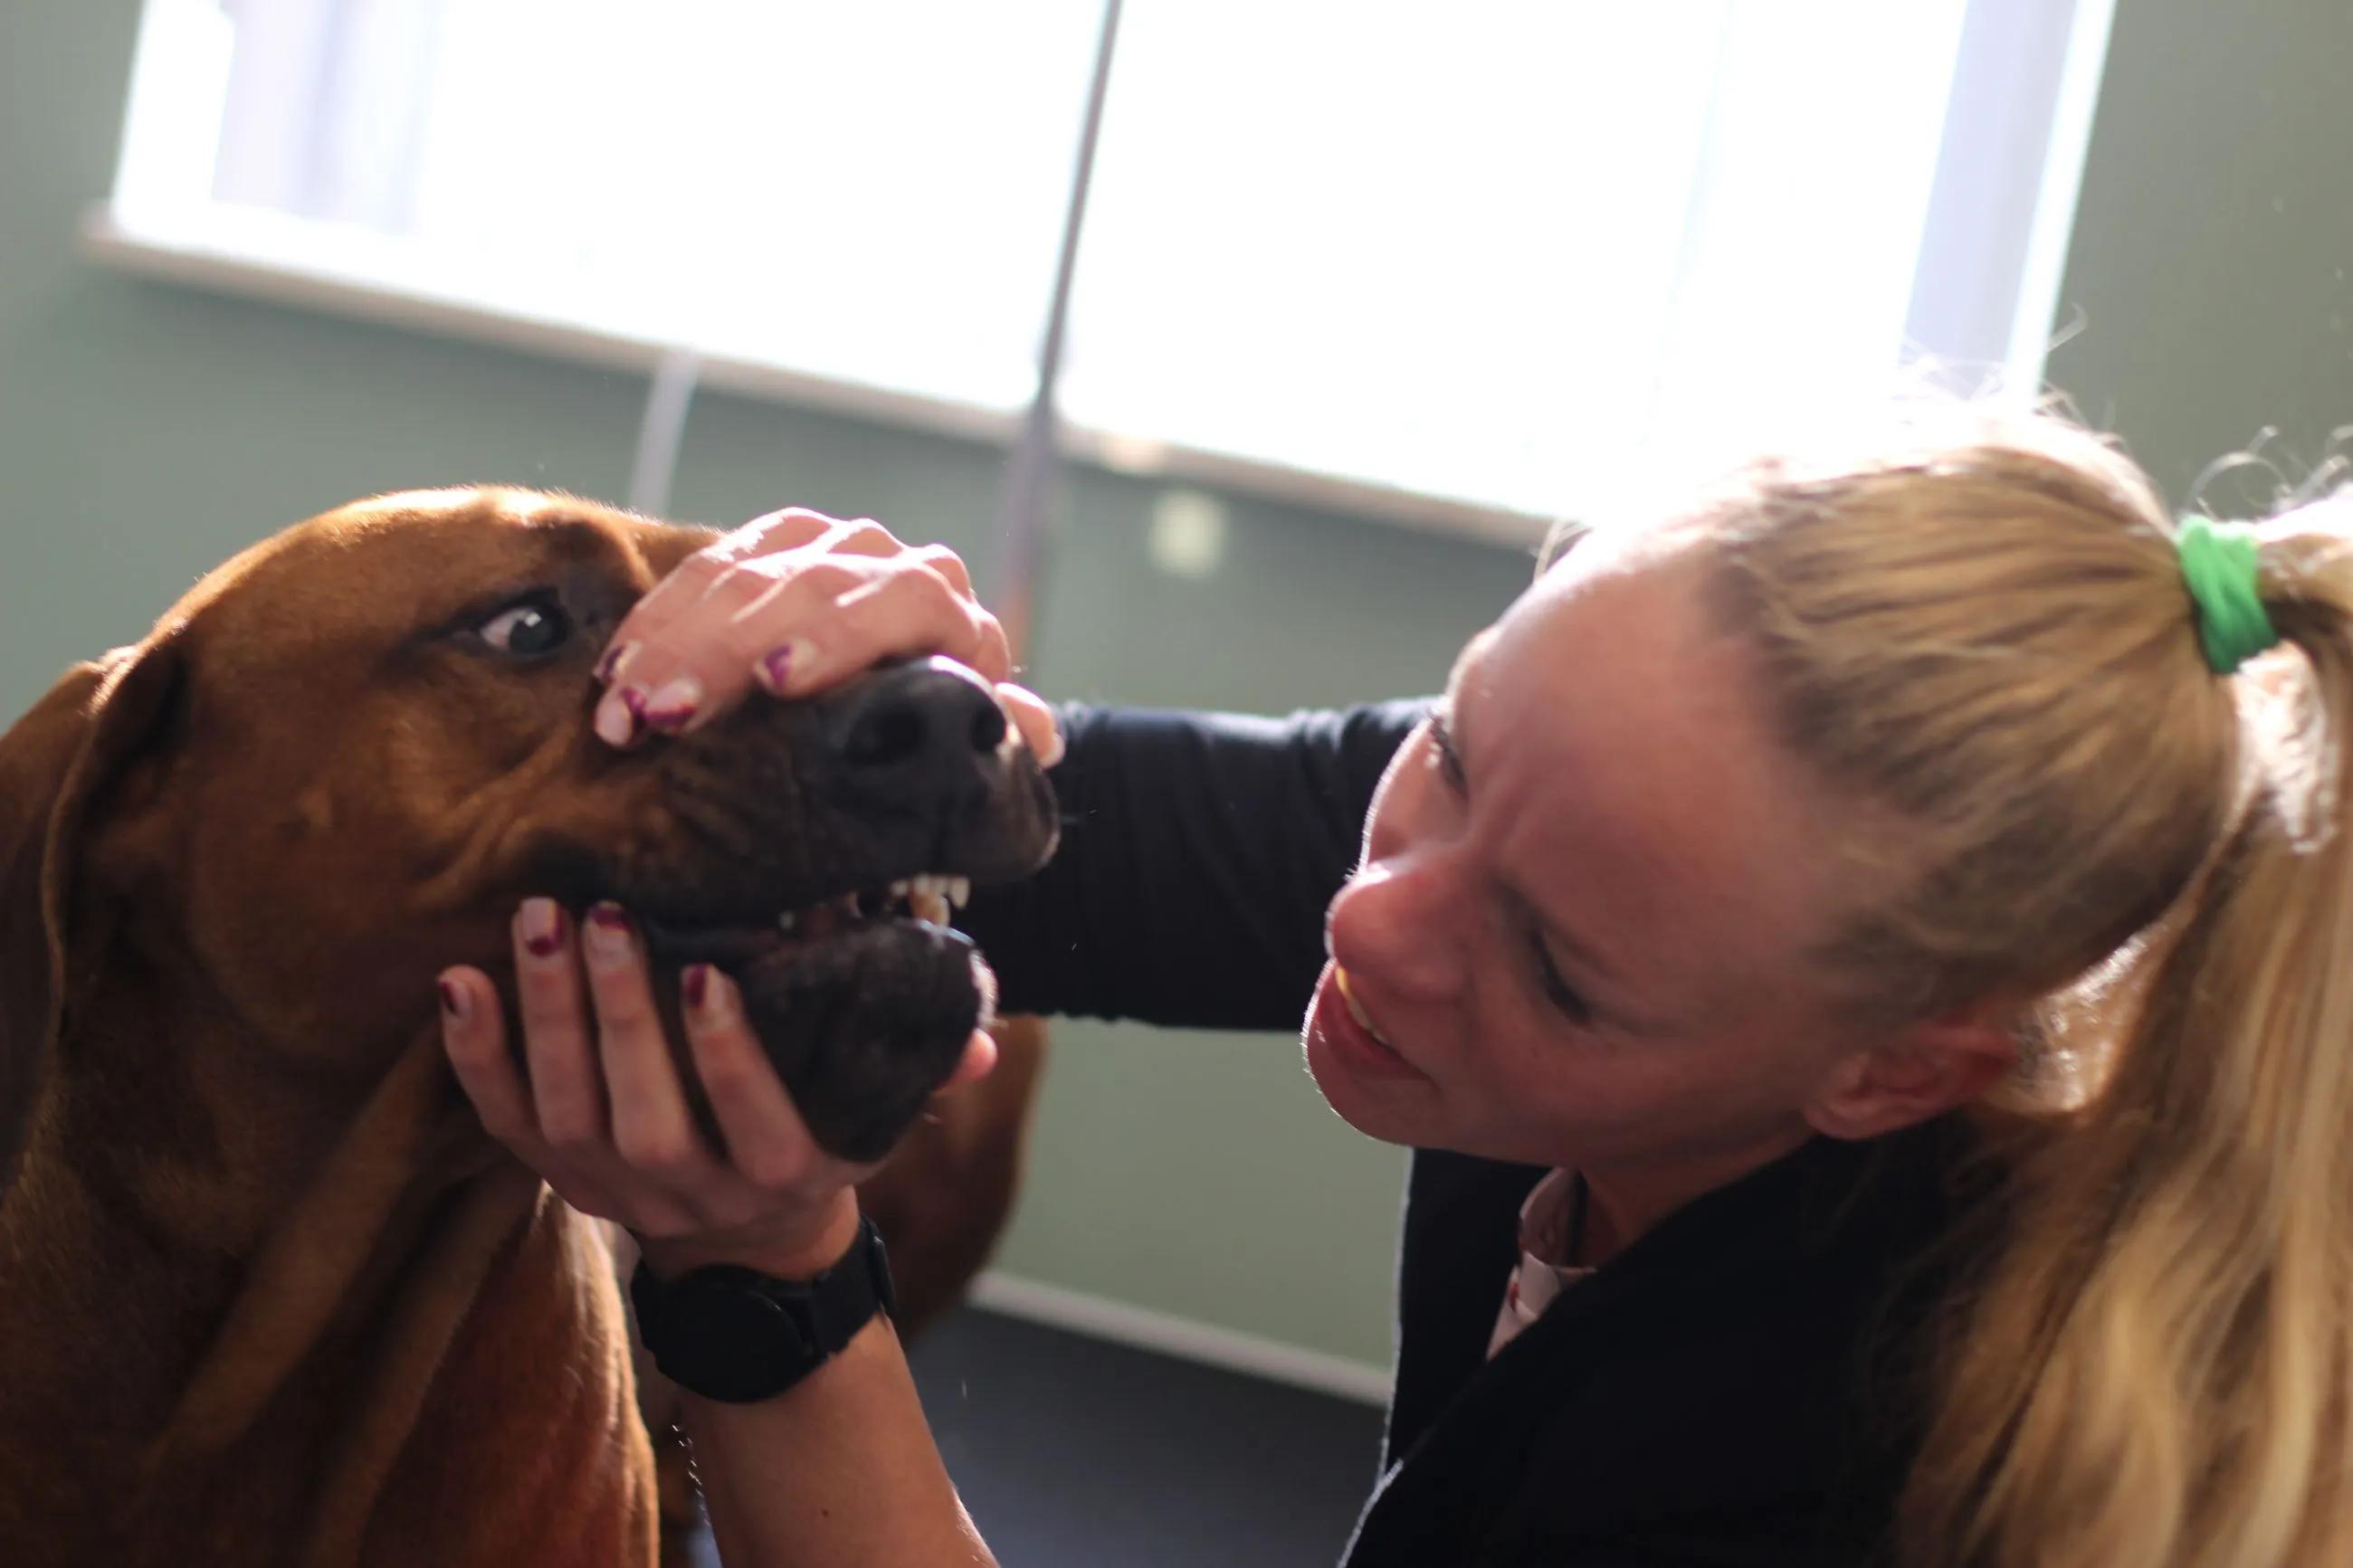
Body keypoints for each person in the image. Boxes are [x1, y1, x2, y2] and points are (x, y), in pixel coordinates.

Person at [435, 404, 2353, 1566]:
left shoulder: (1860, 1470)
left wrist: (766, 1282)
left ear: (1893, 1072)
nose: (1373, 920)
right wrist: (825, 716)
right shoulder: (1572, 842)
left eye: (1556, 969)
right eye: (1446, 742)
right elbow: (1083, 833)